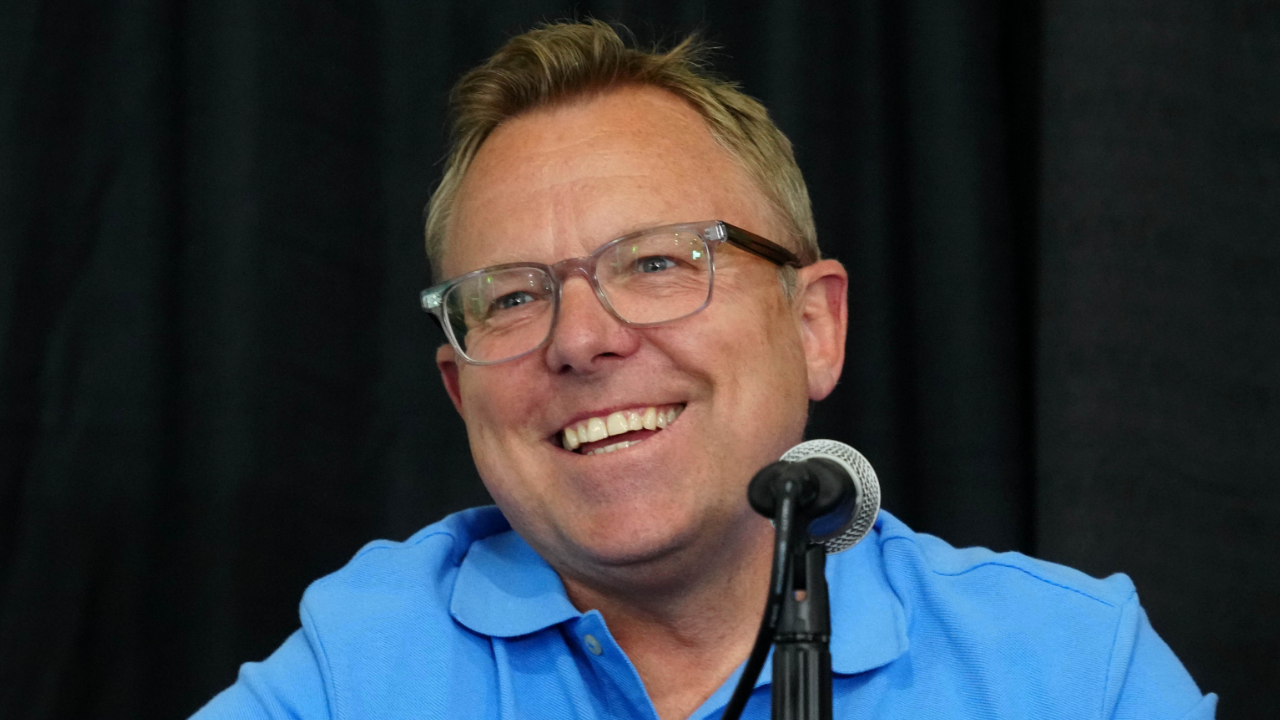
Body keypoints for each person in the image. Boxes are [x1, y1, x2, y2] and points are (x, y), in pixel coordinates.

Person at [191, 20, 1215, 720]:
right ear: (461, 394)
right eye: (509, 296)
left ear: (814, 325)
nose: (579, 339)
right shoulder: (357, 666)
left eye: (653, 263)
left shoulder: (1072, 671)